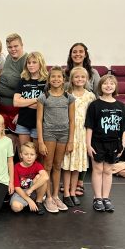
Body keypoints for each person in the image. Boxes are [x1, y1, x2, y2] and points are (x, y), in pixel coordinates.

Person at [85, 75, 125, 212]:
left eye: (111, 83)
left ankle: (106, 197)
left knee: (108, 170)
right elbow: (89, 127)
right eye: (105, 83)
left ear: (115, 87)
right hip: (97, 142)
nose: (108, 86)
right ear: (100, 86)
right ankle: (97, 198)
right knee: (98, 170)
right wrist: (88, 145)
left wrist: (123, 144)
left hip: (114, 143)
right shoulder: (95, 105)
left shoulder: (120, 106)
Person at [36, 66, 75, 213]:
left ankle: (55, 196)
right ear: (49, 79)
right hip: (49, 134)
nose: (56, 79)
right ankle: (48, 198)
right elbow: (39, 121)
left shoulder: (69, 98)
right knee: (48, 166)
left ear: (64, 80)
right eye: (53, 77)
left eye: (59, 77)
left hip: (64, 135)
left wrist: (70, 140)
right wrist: (40, 141)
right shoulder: (43, 97)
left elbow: (72, 121)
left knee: (58, 165)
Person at [65, 42, 100, 197]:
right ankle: (67, 187)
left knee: (81, 154)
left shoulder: (93, 73)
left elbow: (99, 96)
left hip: (85, 121)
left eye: (81, 51)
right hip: (70, 123)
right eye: (74, 51)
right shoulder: (65, 72)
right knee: (68, 156)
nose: (77, 54)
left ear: (85, 54)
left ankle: (79, 183)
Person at [62, 67, 96, 207]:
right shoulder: (66, 94)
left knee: (76, 166)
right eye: (77, 77)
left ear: (87, 79)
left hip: (82, 135)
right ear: (72, 79)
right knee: (67, 165)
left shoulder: (90, 96)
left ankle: (72, 192)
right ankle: (65, 194)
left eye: (83, 77)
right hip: (68, 133)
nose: (80, 79)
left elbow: (92, 117)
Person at [13, 52, 48, 148]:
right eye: (29, 63)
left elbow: (45, 105)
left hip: (39, 124)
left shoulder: (46, 82)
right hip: (23, 122)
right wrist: (37, 99)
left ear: (40, 63)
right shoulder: (23, 80)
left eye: (34, 62)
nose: (31, 65)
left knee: (37, 155)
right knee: (25, 154)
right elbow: (16, 102)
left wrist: (24, 103)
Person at [0, 33, 28, 132]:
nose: (13, 49)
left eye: (16, 46)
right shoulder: (8, 58)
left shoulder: (27, 61)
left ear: (22, 45)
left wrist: (22, 113)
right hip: (2, 107)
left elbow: (29, 90)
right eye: (9, 47)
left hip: (15, 112)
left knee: (15, 141)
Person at [10, 142, 48, 215]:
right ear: (21, 155)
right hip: (21, 192)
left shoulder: (37, 165)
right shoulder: (16, 167)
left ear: (36, 156)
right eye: (26, 154)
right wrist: (29, 200)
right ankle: (30, 202)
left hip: (32, 190)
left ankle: (39, 202)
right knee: (16, 207)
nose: (29, 157)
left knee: (41, 177)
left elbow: (46, 177)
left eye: (32, 154)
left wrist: (31, 189)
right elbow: (17, 187)